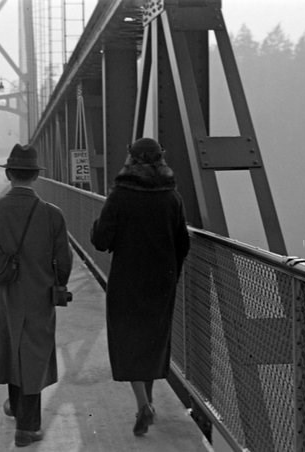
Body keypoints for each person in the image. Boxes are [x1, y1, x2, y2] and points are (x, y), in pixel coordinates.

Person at [0, 143, 73, 447]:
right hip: (37, 296)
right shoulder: (52, 215)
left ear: (10, 174)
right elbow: (63, 262)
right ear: (35, 177)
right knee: (32, 354)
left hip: (1, 297)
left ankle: (16, 408)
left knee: (9, 348)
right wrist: (58, 284)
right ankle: (27, 427)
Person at [90, 137, 190, 436]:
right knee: (151, 340)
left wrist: (98, 225)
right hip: (161, 281)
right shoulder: (172, 198)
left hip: (127, 280)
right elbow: (182, 243)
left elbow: (101, 241)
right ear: (161, 159)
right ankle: (146, 403)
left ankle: (143, 404)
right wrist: (172, 275)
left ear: (130, 160)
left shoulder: (120, 196)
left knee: (128, 338)